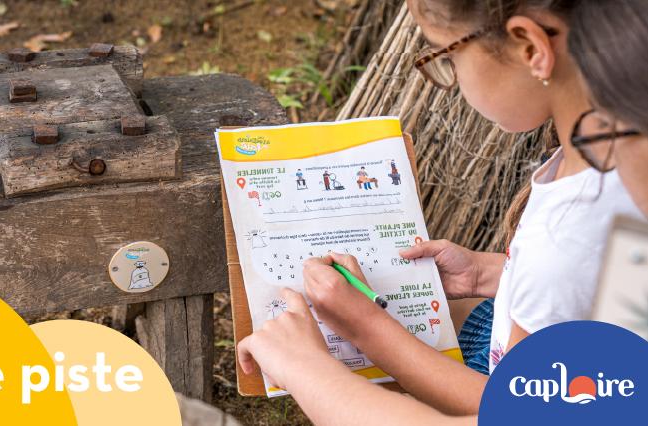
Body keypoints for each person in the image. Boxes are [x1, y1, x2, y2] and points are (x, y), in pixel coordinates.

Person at [237, 0, 647, 423]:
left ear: (529, 48)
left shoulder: (576, 224)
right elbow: (600, 292)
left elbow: (515, 411)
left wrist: (321, 357)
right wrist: (493, 273)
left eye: (448, 55)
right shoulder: (615, 152)